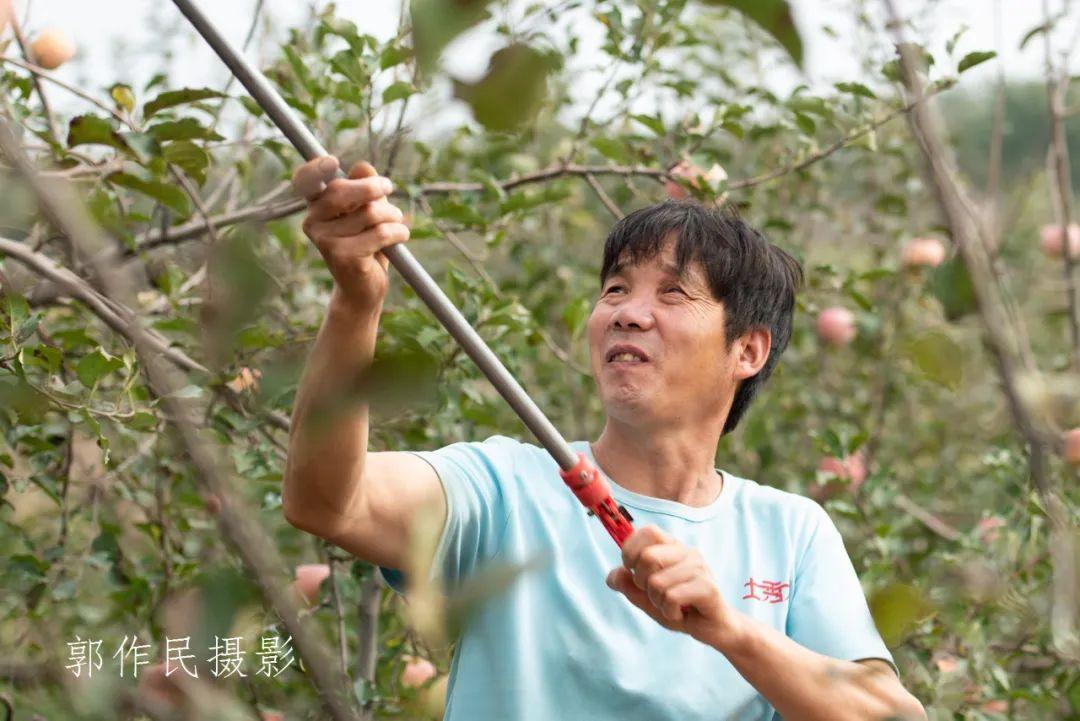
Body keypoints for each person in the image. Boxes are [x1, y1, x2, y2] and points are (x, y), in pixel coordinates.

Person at [282, 156, 927, 721]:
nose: (627, 311)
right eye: (615, 288)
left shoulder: (790, 532)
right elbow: (328, 502)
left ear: (748, 349)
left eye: (673, 294)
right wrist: (356, 302)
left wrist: (730, 630)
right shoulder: (505, 489)